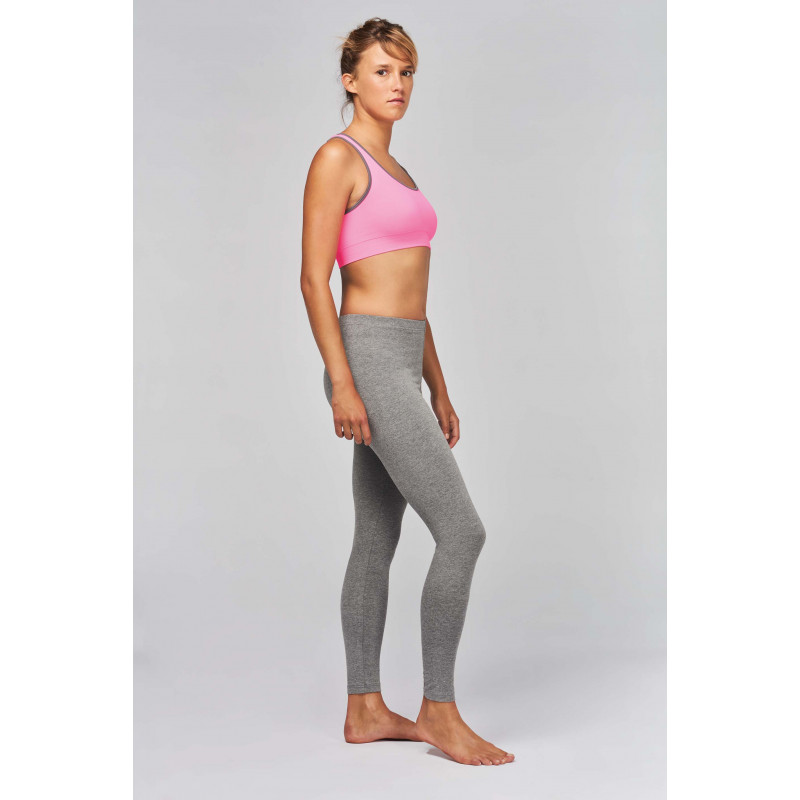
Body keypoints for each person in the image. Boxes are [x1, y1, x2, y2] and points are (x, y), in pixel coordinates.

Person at [300, 18, 514, 767]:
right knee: (462, 531)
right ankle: (439, 711)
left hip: (401, 359)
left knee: (376, 535)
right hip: (365, 360)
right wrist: (342, 385)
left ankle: (364, 709)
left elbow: (412, 299)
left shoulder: (399, 171)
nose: (397, 84)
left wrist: (439, 387)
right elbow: (314, 280)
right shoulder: (338, 158)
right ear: (351, 80)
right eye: (382, 71)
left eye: (407, 72)